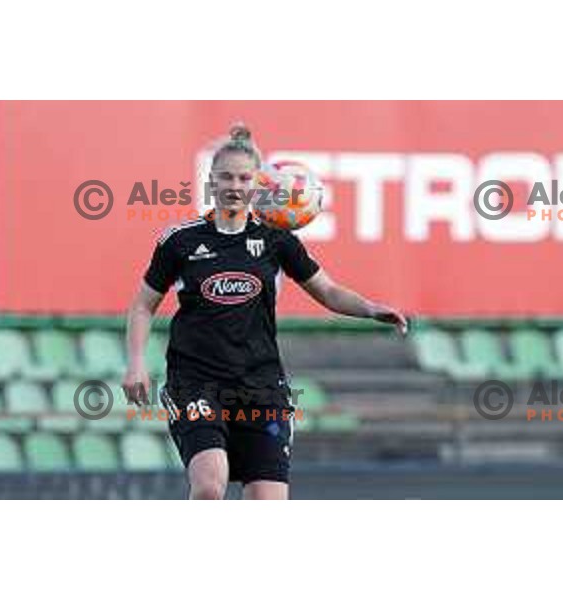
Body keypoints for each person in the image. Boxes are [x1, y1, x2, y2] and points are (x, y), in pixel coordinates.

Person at [122, 124, 407, 500]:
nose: (234, 185)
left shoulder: (277, 240)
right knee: (209, 485)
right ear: (211, 180)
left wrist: (370, 309)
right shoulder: (180, 241)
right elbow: (144, 305)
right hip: (195, 381)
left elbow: (327, 291)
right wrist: (136, 363)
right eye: (225, 176)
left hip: (261, 386)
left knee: (268, 499)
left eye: (243, 177)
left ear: (258, 183)